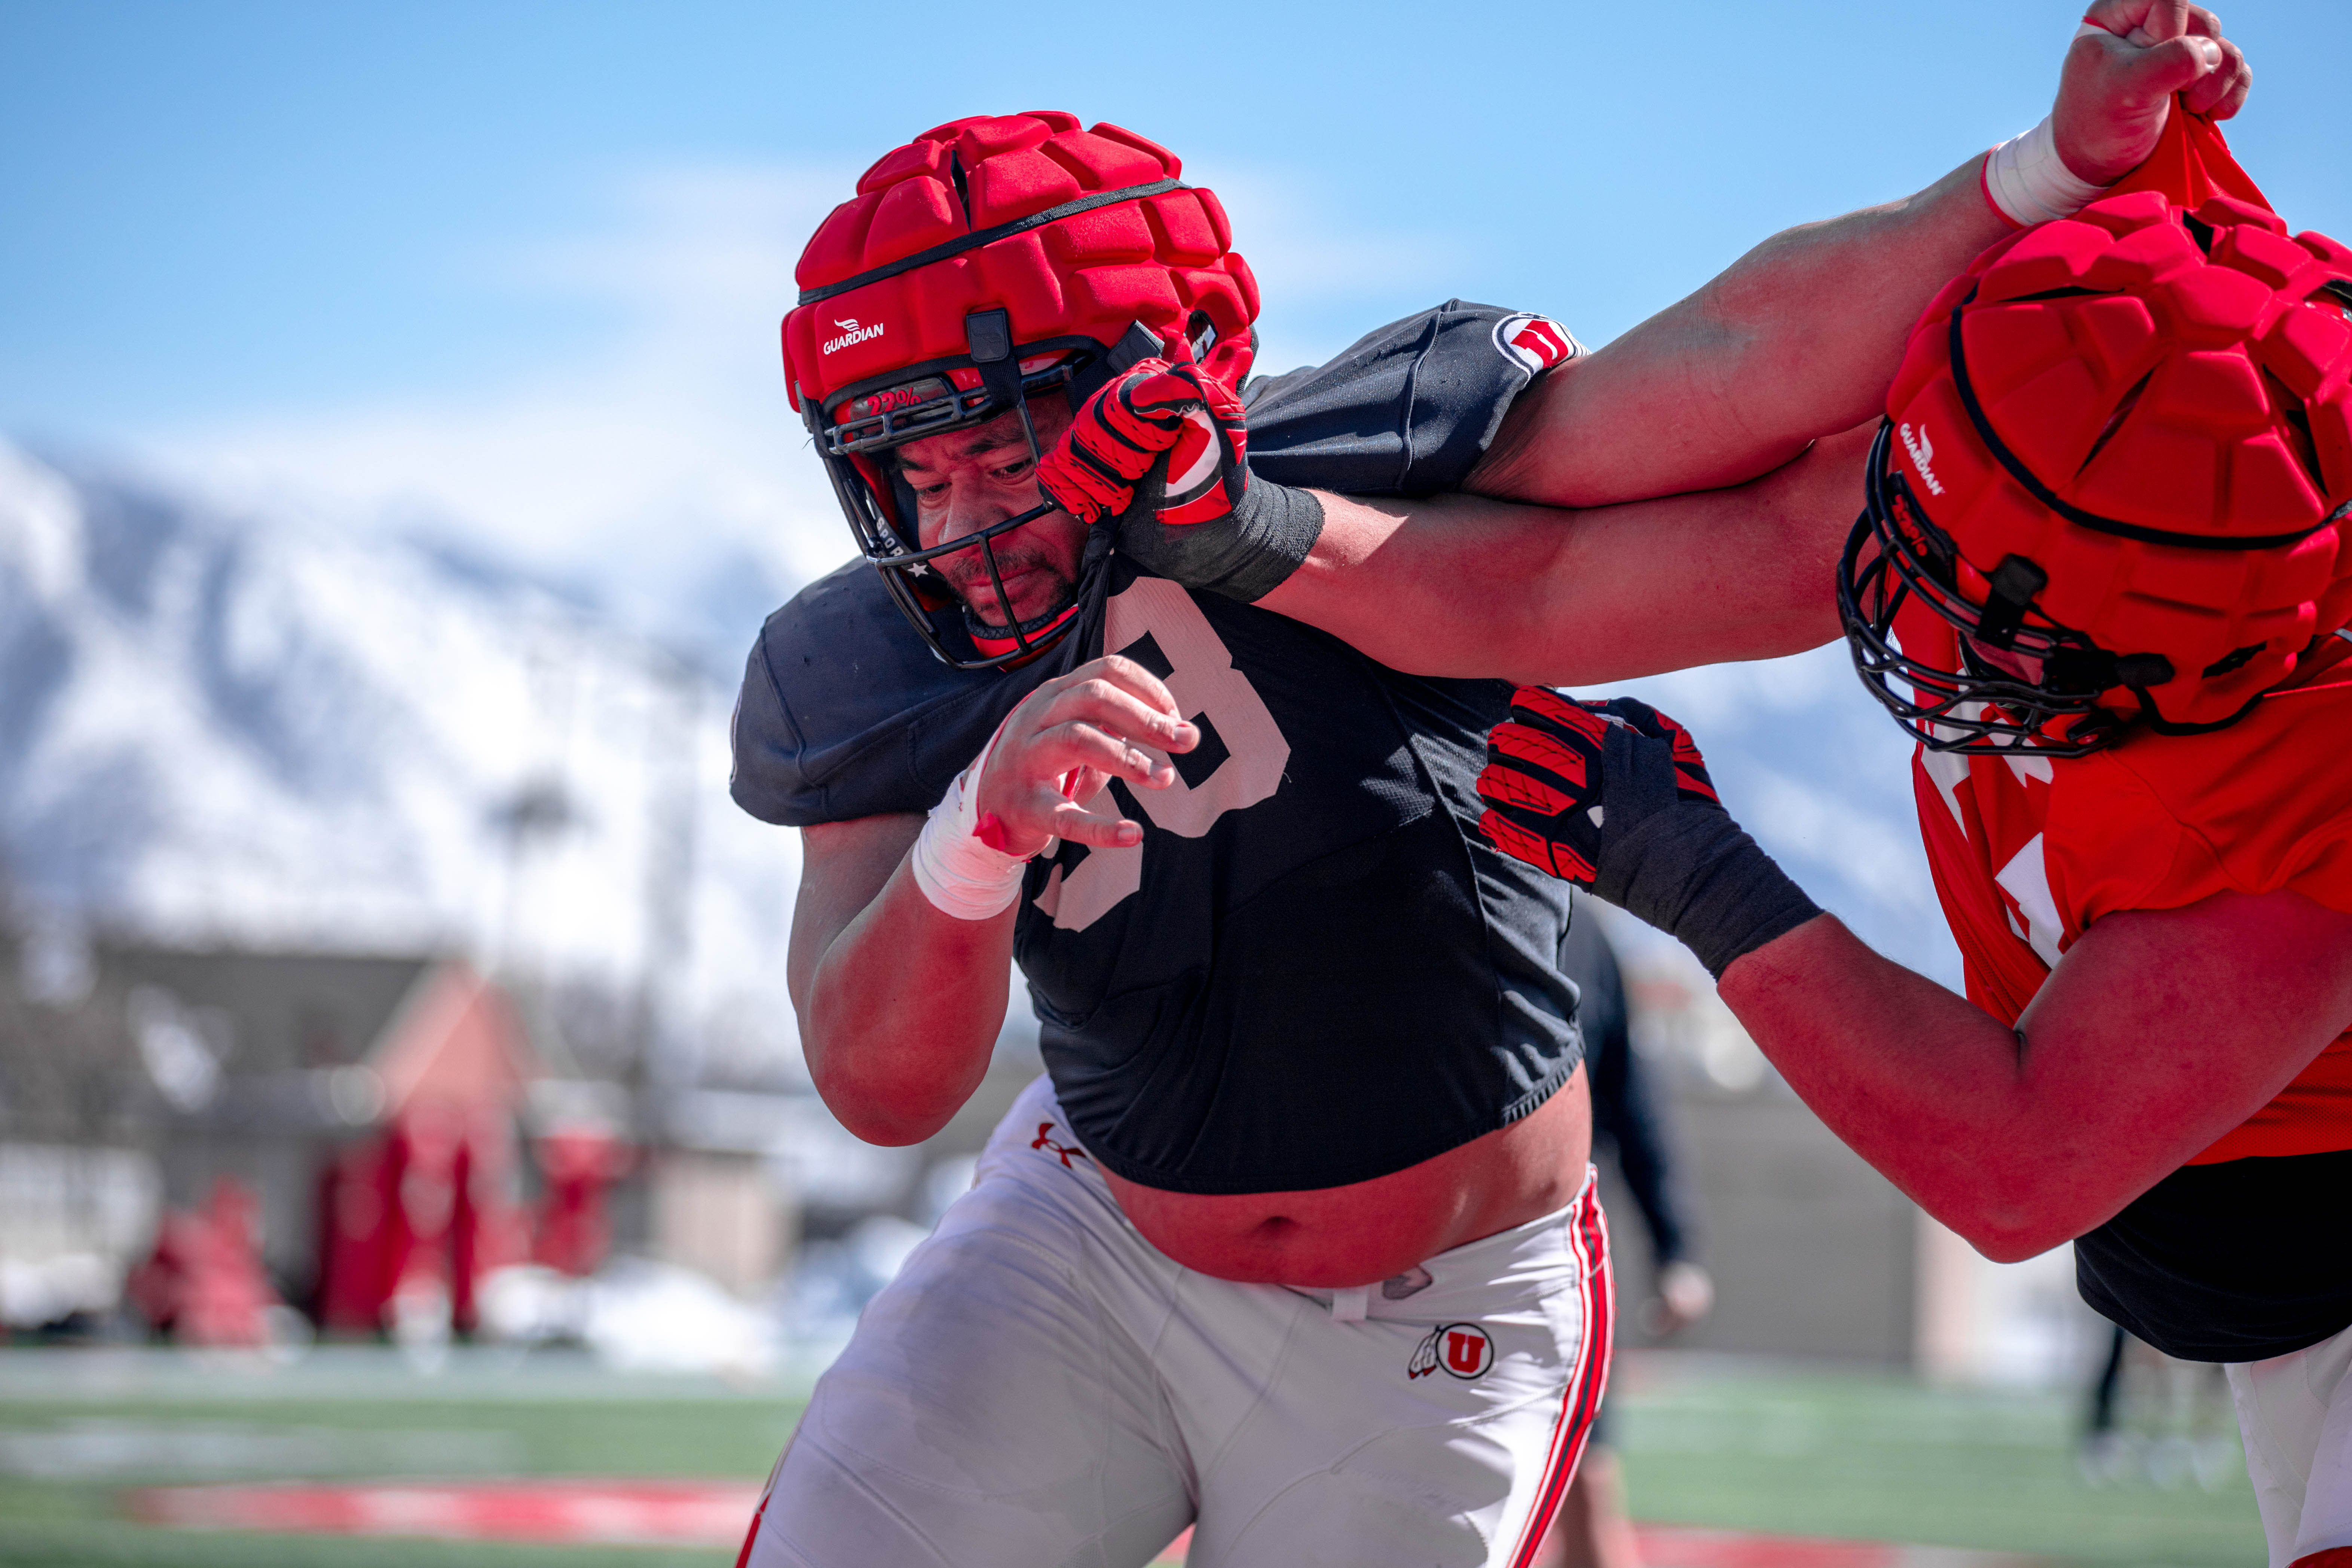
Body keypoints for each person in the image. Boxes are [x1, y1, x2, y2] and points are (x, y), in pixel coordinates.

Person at [727, 19, 2245, 1559]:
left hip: (1441, 1300)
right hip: (1096, 1227)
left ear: (1156, 364)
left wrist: (2051, 179)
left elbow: (1740, 378)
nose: (964, 513)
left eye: (1002, 446)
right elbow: (879, 1084)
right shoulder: (858, 664)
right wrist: (973, 837)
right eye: (915, 468)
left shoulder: (1358, 455)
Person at [1459, 177, 2352, 1568]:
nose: (1960, 606)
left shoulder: (2298, 771)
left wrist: (1702, 878)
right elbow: (2204, 291)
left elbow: (2016, 1170)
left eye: (2027, 587)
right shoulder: (2160, 419)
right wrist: (2061, 150)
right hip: (2272, 1312)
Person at [1540, 916, 1713, 1568]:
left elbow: (1635, 1102)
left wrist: (1678, 1249)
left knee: (1587, 1475)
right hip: (1429, 1254)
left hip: (1558, 1257)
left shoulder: (1581, 932)